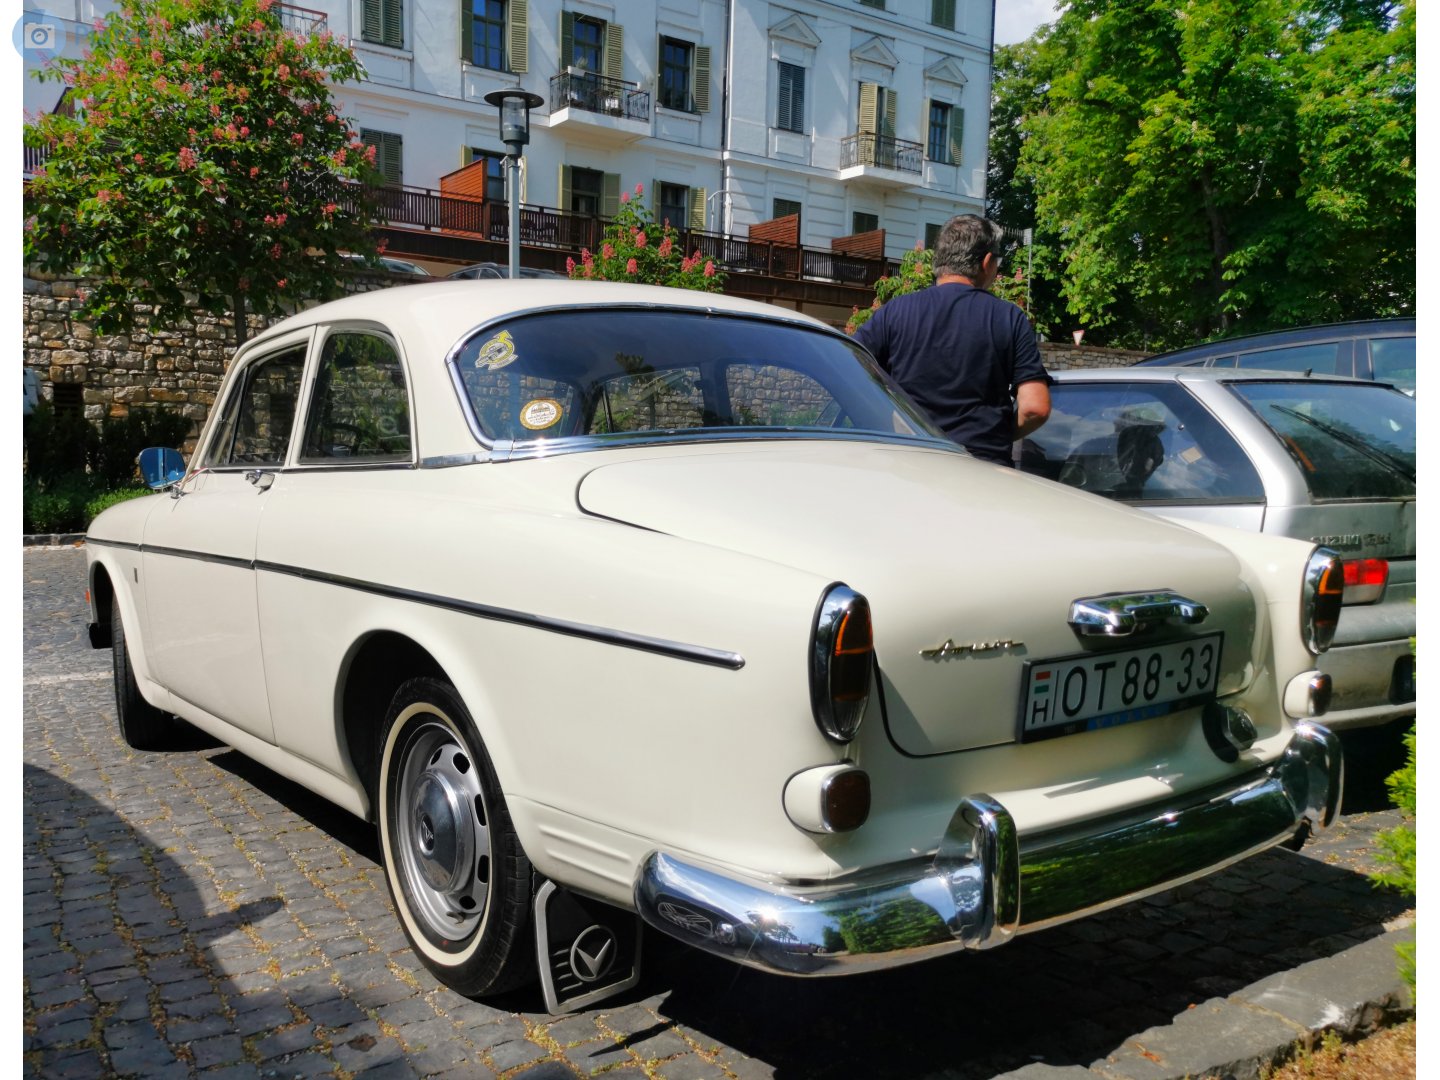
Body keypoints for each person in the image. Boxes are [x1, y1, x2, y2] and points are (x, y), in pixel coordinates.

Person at [854, 215, 1051, 465]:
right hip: (983, 469)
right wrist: (997, 437)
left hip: (909, 463)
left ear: (939, 261)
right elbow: (1035, 407)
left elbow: (846, 368)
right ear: (987, 262)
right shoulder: (1008, 317)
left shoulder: (895, 311)